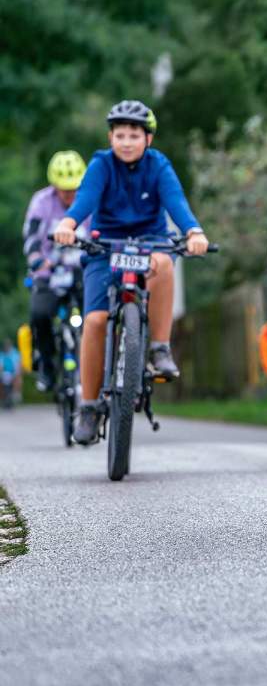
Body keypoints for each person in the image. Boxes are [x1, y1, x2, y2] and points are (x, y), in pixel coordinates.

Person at [53, 100, 209, 445]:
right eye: (119, 135)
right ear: (110, 137)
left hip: (150, 243)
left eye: (134, 135)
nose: (126, 142)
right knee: (94, 321)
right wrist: (67, 223)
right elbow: (85, 200)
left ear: (148, 139)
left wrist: (193, 232)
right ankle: (90, 407)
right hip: (105, 247)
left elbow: (176, 202)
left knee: (165, 263)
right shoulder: (100, 165)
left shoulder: (159, 165)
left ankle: (159, 348)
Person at [22, 151, 89, 391]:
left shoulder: (89, 200)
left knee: (95, 315)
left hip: (81, 270)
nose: (69, 195)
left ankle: (95, 369)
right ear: (54, 185)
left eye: (74, 188)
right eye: (64, 189)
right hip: (49, 272)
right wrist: (36, 258)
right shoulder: (41, 202)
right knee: (39, 314)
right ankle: (47, 365)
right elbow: (31, 235)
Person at [0, 339, 22, 408]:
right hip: (4, 373)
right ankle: (2, 397)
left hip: (13, 373)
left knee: (18, 379)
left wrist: (15, 374)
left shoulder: (15, 354)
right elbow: (1, 365)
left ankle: (16, 394)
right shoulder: (2, 354)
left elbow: (17, 365)